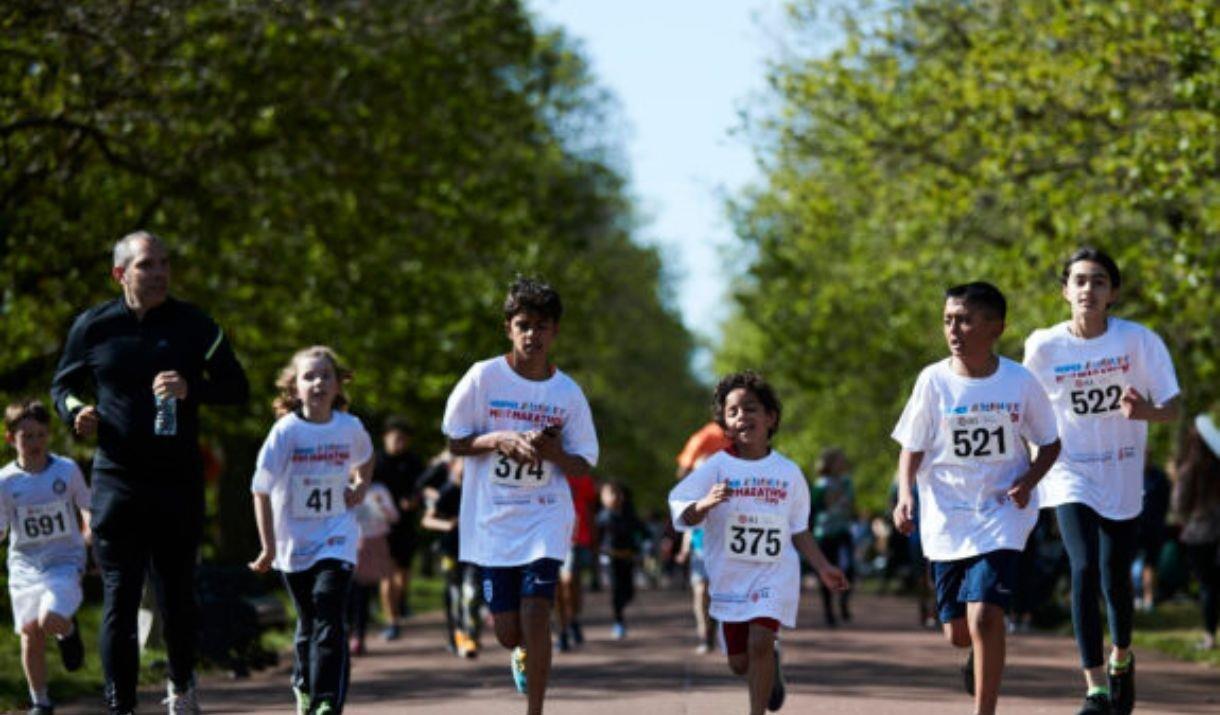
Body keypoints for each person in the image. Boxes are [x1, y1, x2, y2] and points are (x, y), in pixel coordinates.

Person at [50, 230, 249, 715]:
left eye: (164, 263)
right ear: (121, 274)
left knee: (176, 596)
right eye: (146, 265)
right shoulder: (93, 327)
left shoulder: (194, 325)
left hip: (178, 481)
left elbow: (237, 387)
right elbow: (63, 384)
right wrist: (77, 410)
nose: (159, 273)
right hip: (118, 479)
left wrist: (191, 389)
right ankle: (120, 705)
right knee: (119, 596)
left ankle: (181, 688)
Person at [1023, 248, 1180, 715]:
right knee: (1084, 567)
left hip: (1122, 467)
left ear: (1112, 293)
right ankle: (1093, 687)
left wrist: (1145, 411)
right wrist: (1024, 469)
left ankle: (1122, 657)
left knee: (1115, 577)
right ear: (1064, 291)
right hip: (1068, 469)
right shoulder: (1044, 346)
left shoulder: (1138, 342)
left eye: (1098, 282)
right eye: (1079, 281)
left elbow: (1172, 407)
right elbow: (1023, 409)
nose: (1088, 289)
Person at [893, 282, 1061, 715]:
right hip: (947, 512)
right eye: (948, 319)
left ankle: (984, 710)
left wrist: (1029, 479)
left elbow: (1050, 442)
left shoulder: (1020, 381)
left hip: (1001, 510)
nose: (954, 328)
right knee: (958, 632)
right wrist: (905, 494)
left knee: (986, 613)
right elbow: (911, 445)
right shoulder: (933, 381)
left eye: (965, 320)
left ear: (995, 328)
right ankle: (975, 653)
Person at [442, 277, 598, 715]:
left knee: (536, 613)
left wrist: (555, 453)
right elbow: (456, 441)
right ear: (508, 328)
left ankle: (535, 709)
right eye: (524, 325)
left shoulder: (567, 393)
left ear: (555, 332)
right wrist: (499, 439)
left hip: (544, 515)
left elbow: (584, 462)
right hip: (493, 518)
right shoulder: (482, 378)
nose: (533, 335)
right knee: (509, 632)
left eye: (542, 326)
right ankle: (521, 652)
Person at [669, 371, 848, 715]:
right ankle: (771, 669)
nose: (741, 417)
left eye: (750, 409)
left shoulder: (788, 473)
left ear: (771, 417)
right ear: (724, 422)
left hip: (773, 573)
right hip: (730, 576)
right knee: (739, 662)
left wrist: (823, 567)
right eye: (732, 412)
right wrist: (704, 505)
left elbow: (799, 528)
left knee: (761, 641)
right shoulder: (715, 467)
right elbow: (681, 511)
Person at [248, 346, 374, 715]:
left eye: (326, 376)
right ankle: (303, 684)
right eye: (309, 376)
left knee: (329, 613)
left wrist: (360, 487)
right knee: (308, 622)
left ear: (338, 385)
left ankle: (326, 702)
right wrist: (268, 548)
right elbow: (260, 489)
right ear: (294, 389)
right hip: (293, 542)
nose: (318, 382)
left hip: (337, 535)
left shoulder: (349, 427)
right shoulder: (286, 433)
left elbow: (366, 459)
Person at [1, 400, 91, 715]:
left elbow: (87, 505)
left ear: (48, 436)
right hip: (25, 566)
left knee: (48, 619)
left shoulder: (65, 470)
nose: (35, 443)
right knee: (30, 634)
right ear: (11, 439)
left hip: (64, 560)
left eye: (40, 435)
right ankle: (41, 702)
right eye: (27, 436)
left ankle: (67, 630)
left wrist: (90, 530)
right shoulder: (5, 481)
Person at [420, 457, 482, 658]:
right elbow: (427, 520)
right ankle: (458, 636)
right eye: (461, 467)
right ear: (453, 468)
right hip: (450, 551)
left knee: (472, 594)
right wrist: (449, 525)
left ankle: (472, 637)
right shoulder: (447, 492)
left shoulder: (479, 491)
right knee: (455, 595)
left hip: (474, 551)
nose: (464, 472)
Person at [372, 416, 424, 639]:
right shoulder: (375, 462)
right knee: (387, 575)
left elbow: (423, 489)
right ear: (385, 438)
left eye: (404, 439)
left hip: (405, 526)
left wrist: (414, 501)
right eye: (396, 438)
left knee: (402, 575)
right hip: (381, 526)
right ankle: (391, 621)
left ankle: (400, 602)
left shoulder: (413, 462)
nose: (399, 443)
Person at [1172, 412, 1220, 651]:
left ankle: (1210, 635)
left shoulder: (1189, 468)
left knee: (1208, 586)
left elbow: (1179, 504)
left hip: (1199, 533)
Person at [348, 481, 399, 656]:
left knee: (364, 591)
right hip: (350, 544)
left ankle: (359, 636)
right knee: (351, 591)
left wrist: (381, 504)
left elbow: (394, 517)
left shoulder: (379, 490)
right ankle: (350, 633)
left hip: (375, 543)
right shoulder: (341, 486)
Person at [811, 447, 856, 626]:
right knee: (826, 571)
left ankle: (844, 602)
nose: (841, 464)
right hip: (825, 534)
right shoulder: (820, 485)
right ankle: (829, 612)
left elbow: (851, 505)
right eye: (838, 460)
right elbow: (817, 508)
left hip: (843, 531)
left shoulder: (847, 482)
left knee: (849, 569)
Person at [597, 480, 644, 640]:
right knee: (616, 590)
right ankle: (618, 621)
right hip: (610, 558)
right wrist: (598, 554)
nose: (615, 497)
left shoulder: (629, 514)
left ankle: (621, 607)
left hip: (628, 557)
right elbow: (597, 537)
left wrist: (642, 546)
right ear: (603, 498)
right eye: (611, 494)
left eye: (618, 493)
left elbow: (641, 531)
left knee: (629, 591)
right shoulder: (602, 517)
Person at [556, 472, 598, 651]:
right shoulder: (543, 470)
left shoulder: (581, 474)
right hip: (549, 536)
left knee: (570, 582)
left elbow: (590, 509)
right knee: (557, 588)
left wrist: (594, 538)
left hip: (576, 538)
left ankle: (572, 619)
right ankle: (563, 630)